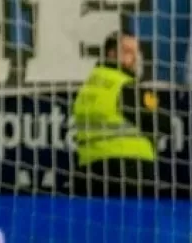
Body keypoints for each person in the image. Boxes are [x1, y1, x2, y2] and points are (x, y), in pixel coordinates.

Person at [70, 31, 169, 197]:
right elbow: (160, 122)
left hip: (90, 169)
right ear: (112, 54)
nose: (136, 58)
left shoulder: (86, 87)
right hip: (130, 169)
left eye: (136, 52)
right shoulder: (124, 85)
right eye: (129, 52)